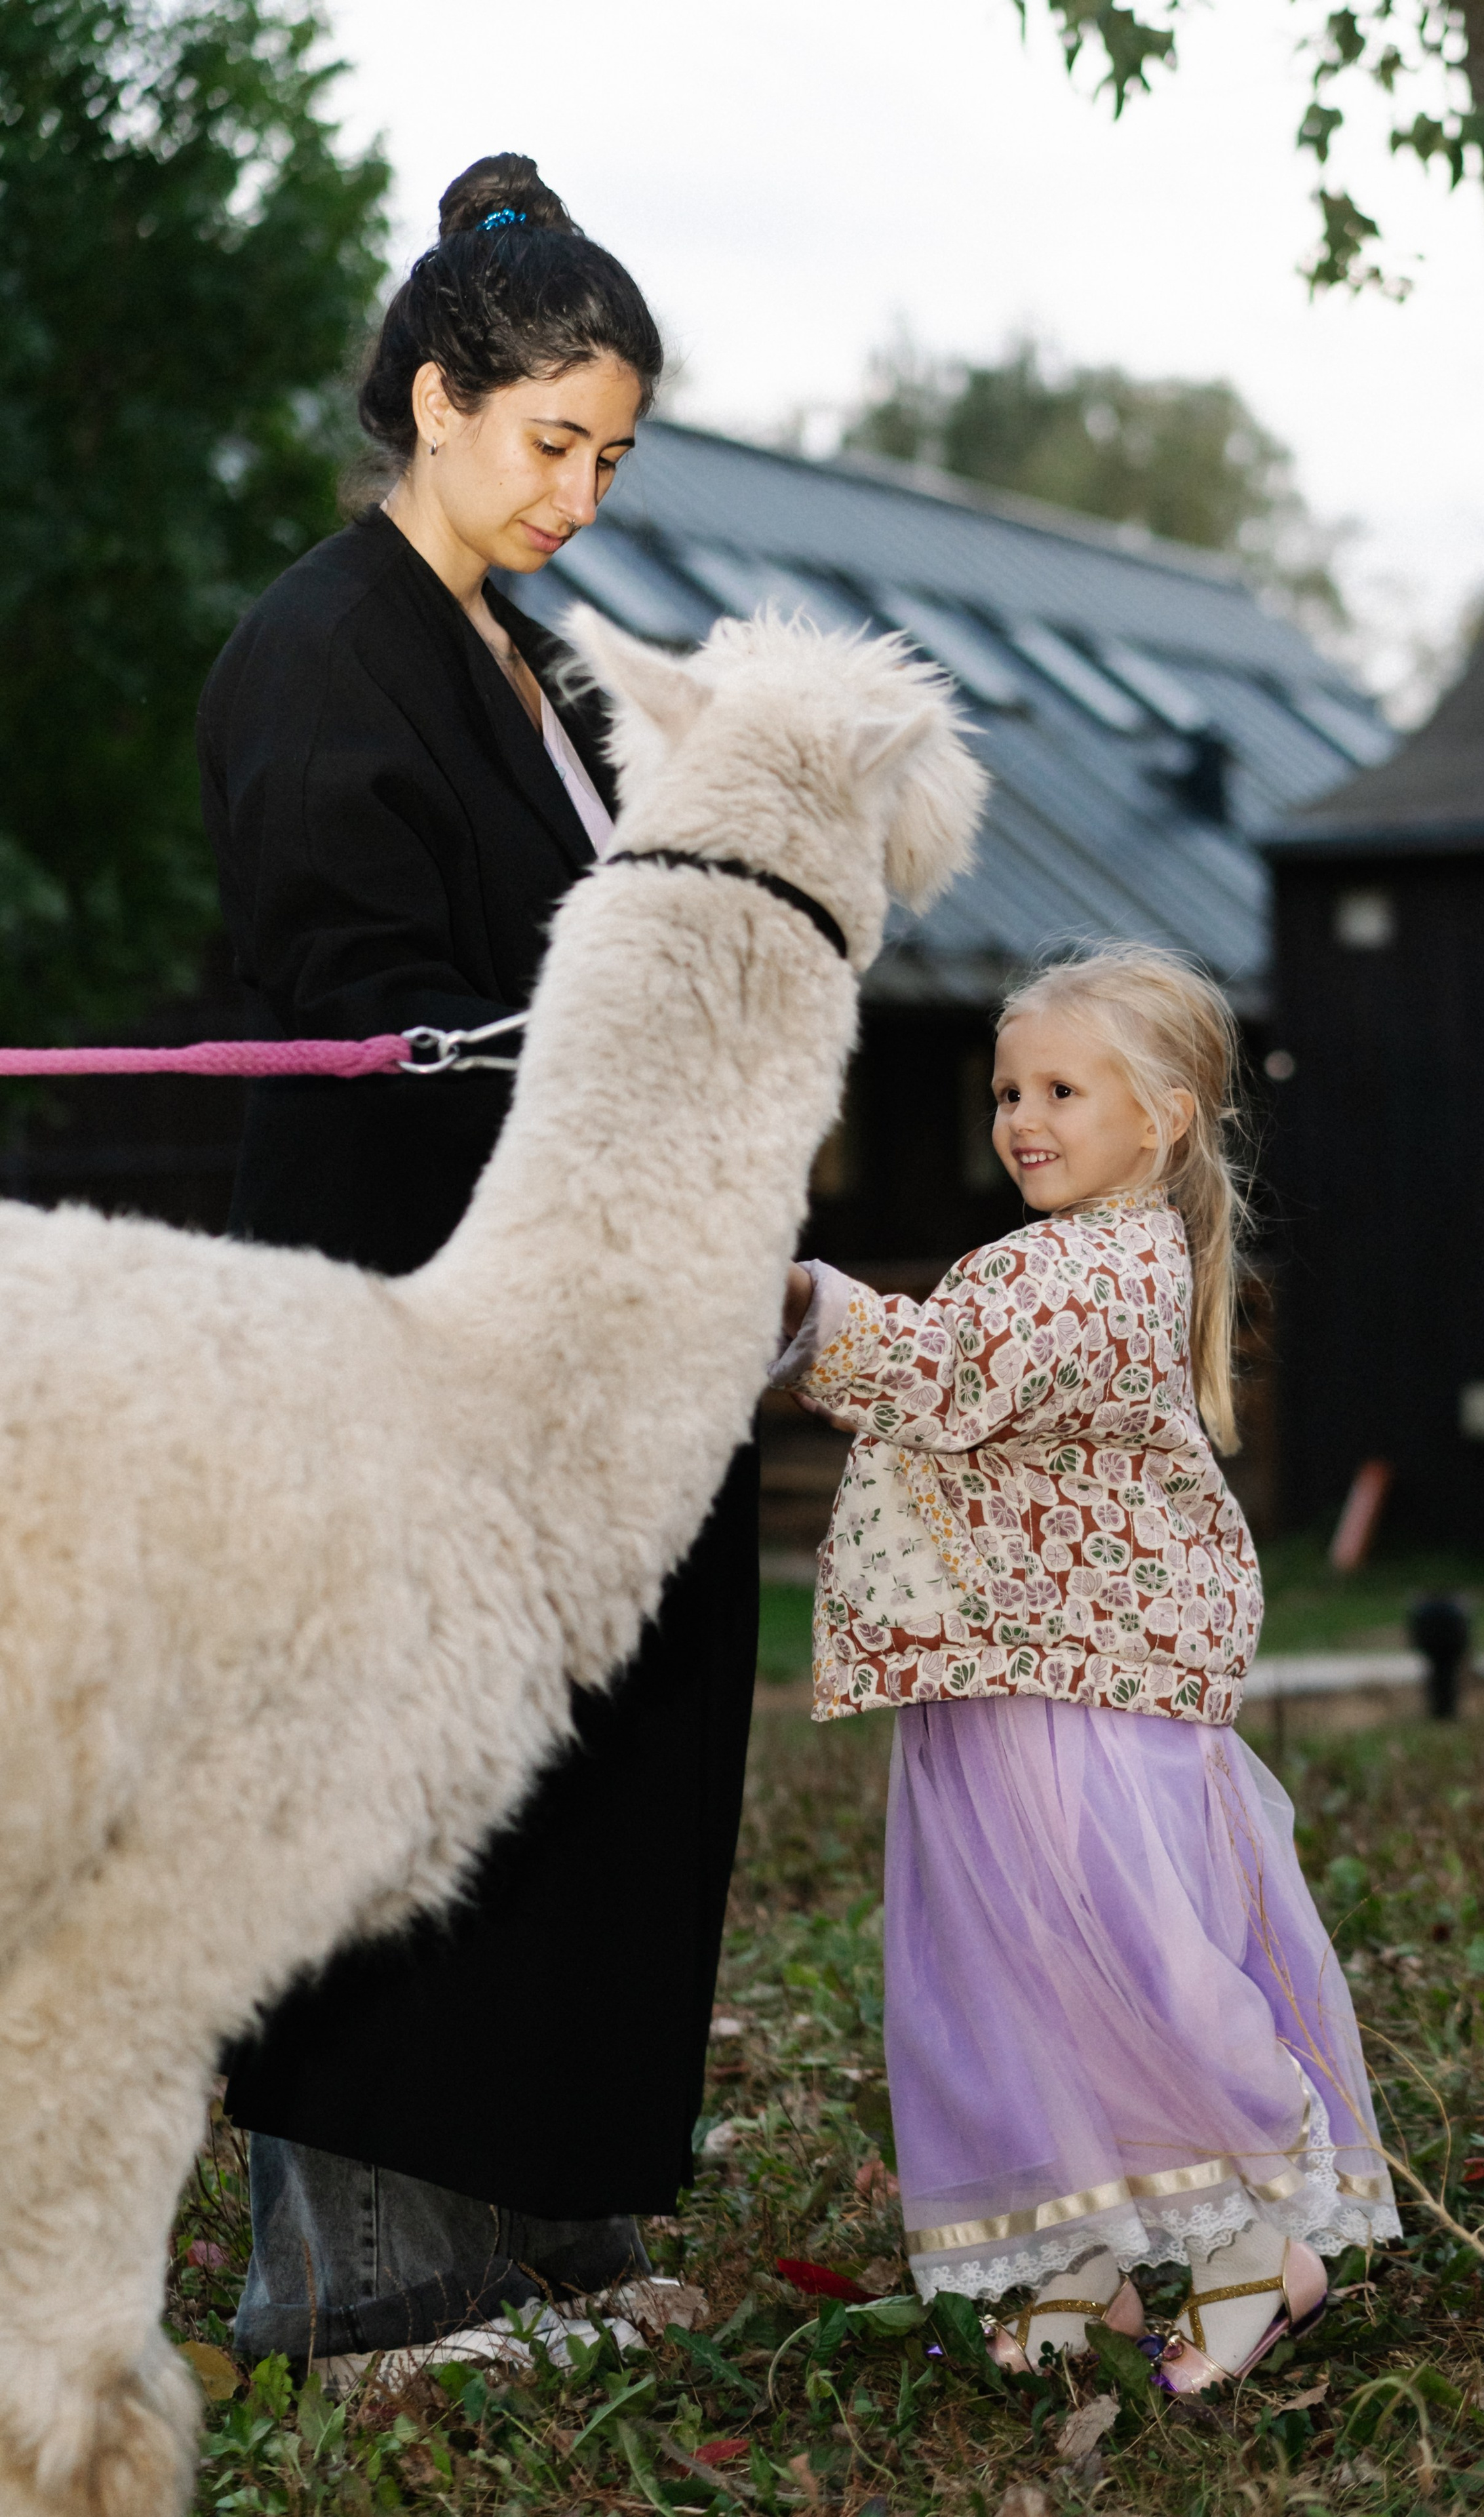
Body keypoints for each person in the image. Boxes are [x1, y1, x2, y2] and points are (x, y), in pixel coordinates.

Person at [197, 153, 758, 2373]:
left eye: (614, 456)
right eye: (556, 444)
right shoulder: (323, 660)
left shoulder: (513, 653)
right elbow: (378, 1033)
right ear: (438, 396)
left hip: (568, 1314)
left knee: (591, 1754)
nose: (587, 495)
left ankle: (536, 2211)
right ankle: (364, 2276)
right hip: (404, 1316)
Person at [771, 945, 1398, 2390]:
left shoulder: (1100, 1268)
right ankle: (1078, 2256)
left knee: (1125, 1965)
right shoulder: (1059, 1255)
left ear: (1162, 1117)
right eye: (1006, 1089)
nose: (1020, 1118)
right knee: (996, 1979)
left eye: (1061, 1087)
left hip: (1079, 1696)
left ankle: (1262, 2238)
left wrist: (802, 1298)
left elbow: (946, 1374)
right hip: (1000, 1679)